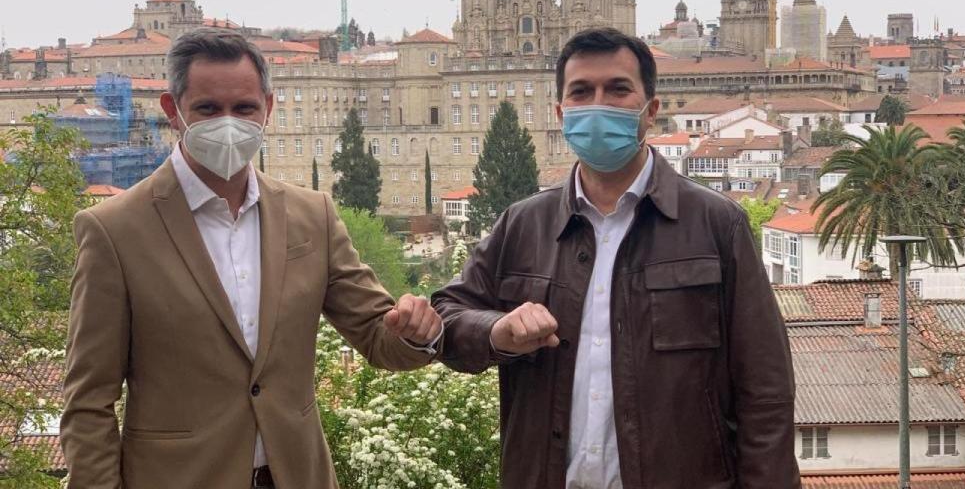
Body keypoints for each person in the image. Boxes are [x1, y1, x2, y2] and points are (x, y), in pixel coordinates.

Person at [61, 28, 443, 489]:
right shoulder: (115, 230)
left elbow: (379, 338)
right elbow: (88, 404)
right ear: (173, 110)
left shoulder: (312, 216)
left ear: (269, 108)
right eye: (208, 109)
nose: (228, 122)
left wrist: (418, 333)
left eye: (244, 108)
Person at [432, 28, 798, 488]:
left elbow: (765, 393)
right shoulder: (524, 225)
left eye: (618, 89)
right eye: (582, 92)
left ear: (652, 110)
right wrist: (496, 332)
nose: (599, 104)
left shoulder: (716, 224)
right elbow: (445, 317)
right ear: (561, 113)